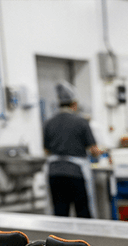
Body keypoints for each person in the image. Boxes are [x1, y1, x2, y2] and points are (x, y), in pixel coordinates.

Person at [43, 81, 101, 218]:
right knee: (82, 212)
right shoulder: (81, 122)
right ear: (74, 104)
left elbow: (46, 151)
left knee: (60, 213)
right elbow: (93, 149)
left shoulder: (49, 123)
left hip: (54, 173)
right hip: (76, 174)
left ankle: (59, 239)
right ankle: (84, 239)